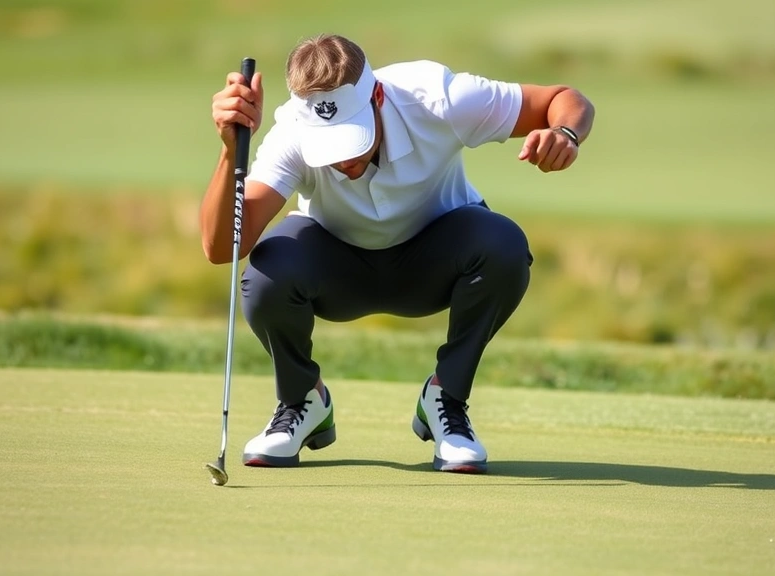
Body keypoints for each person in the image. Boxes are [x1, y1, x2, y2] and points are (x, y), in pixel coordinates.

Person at [200, 34, 594, 474]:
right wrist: (228, 148)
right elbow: (221, 248)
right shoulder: (291, 131)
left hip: (435, 263)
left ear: (378, 95)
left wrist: (564, 133)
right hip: (339, 271)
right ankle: (302, 401)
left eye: (352, 138)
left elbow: (566, 98)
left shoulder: (439, 98)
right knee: (268, 271)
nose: (342, 161)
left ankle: (446, 399)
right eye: (327, 145)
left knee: (502, 244)